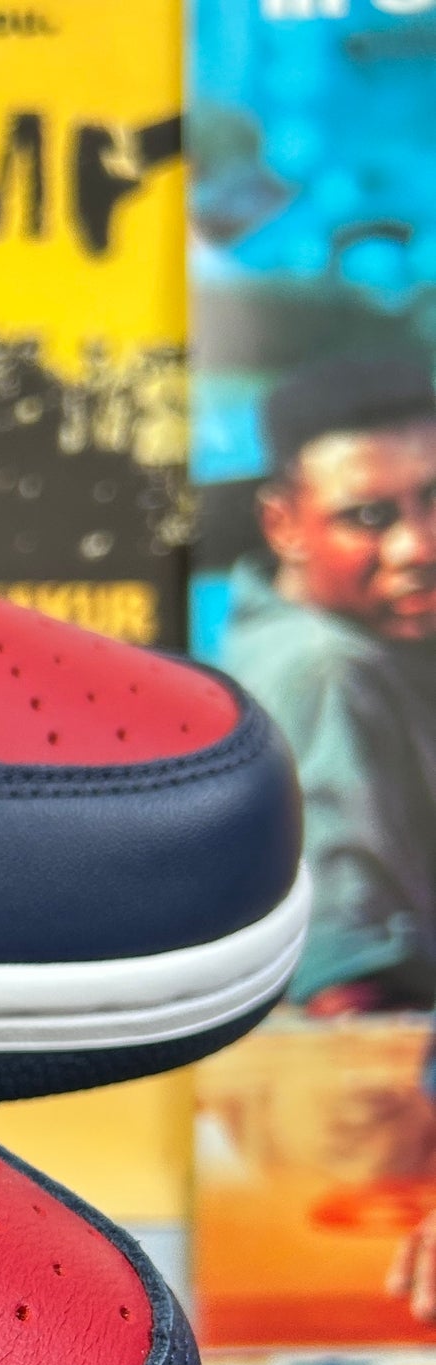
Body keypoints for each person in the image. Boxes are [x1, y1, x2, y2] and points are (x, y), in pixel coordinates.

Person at [218, 355, 436, 1010]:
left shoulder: (377, 641)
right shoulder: (326, 671)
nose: (417, 547)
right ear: (283, 525)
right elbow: (347, 986)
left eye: (433, 500)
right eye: (369, 517)